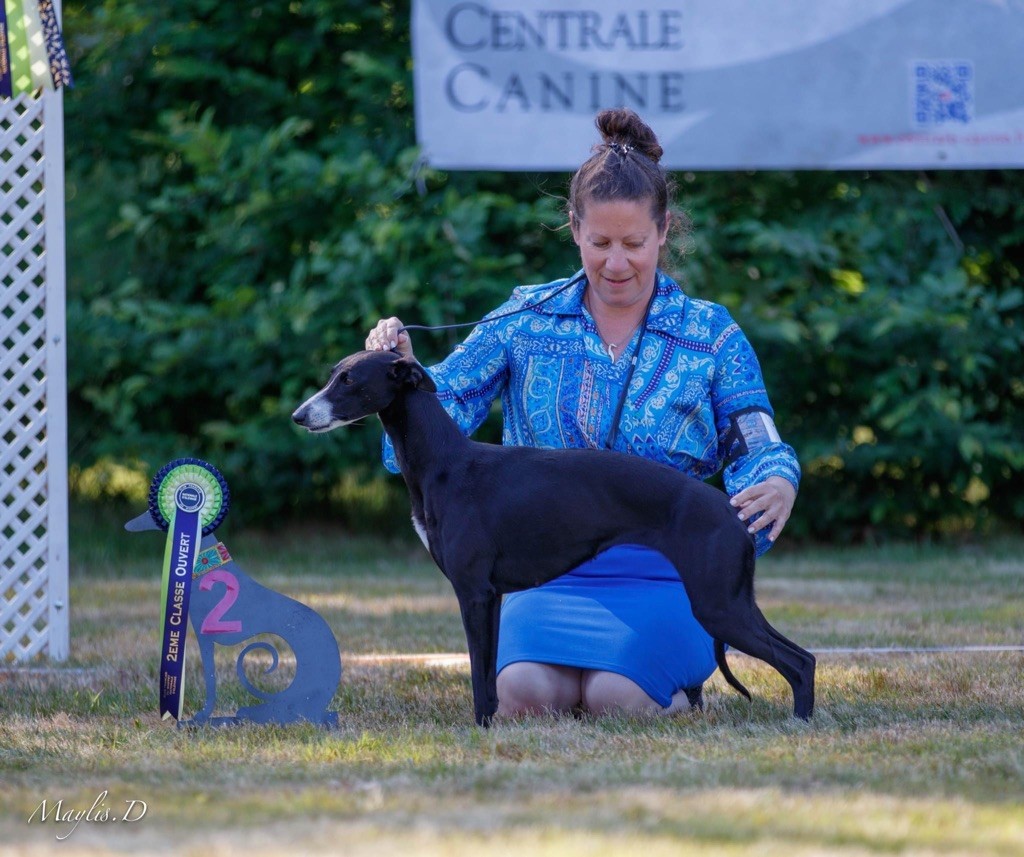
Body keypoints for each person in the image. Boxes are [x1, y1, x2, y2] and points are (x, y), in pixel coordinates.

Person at [365, 107, 799, 718]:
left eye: (634, 244)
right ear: (573, 228)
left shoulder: (710, 333)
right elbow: (447, 403)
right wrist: (405, 377)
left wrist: (775, 479)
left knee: (616, 699)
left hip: (667, 573)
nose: (616, 264)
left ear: (664, 231)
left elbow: (757, 440)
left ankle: (668, 681)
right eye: (599, 243)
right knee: (522, 697)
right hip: (543, 574)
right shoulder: (523, 319)